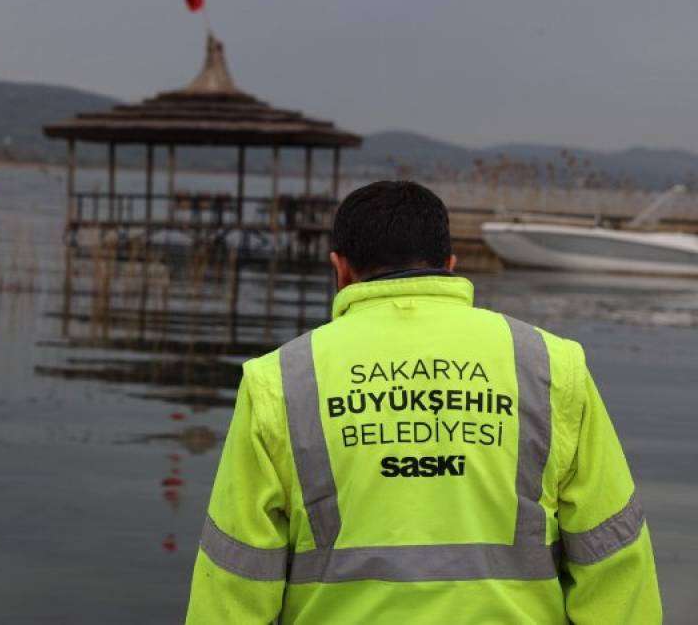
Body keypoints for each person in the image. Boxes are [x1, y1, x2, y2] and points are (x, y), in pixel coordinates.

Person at [185, 181, 661, 624]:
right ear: (451, 266)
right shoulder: (552, 367)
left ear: (340, 269)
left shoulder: (280, 381)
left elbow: (234, 577)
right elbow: (614, 558)